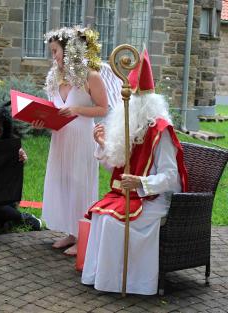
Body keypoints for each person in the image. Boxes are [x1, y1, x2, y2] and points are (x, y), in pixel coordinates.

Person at [81, 49, 188, 295]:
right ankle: (102, 277)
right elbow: (116, 167)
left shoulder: (160, 132)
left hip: (154, 199)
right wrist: (102, 146)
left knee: (112, 222)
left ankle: (130, 282)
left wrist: (140, 182)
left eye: (132, 102)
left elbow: (171, 177)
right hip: (127, 195)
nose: (125, 107)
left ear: (146, 104)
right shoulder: (129, 127)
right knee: (100, 215)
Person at [33, 26, 108, 256]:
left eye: (55, 51)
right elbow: (52, 108)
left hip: (82, 137)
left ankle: (83, 234)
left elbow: (103, 108)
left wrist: (76, 109)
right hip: (60, 137)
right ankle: (70, 231)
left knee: (80, 184)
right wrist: (42, 121)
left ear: (68, 51)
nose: (53, 56)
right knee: (63, 181)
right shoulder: (55, 77)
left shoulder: (91, 76)